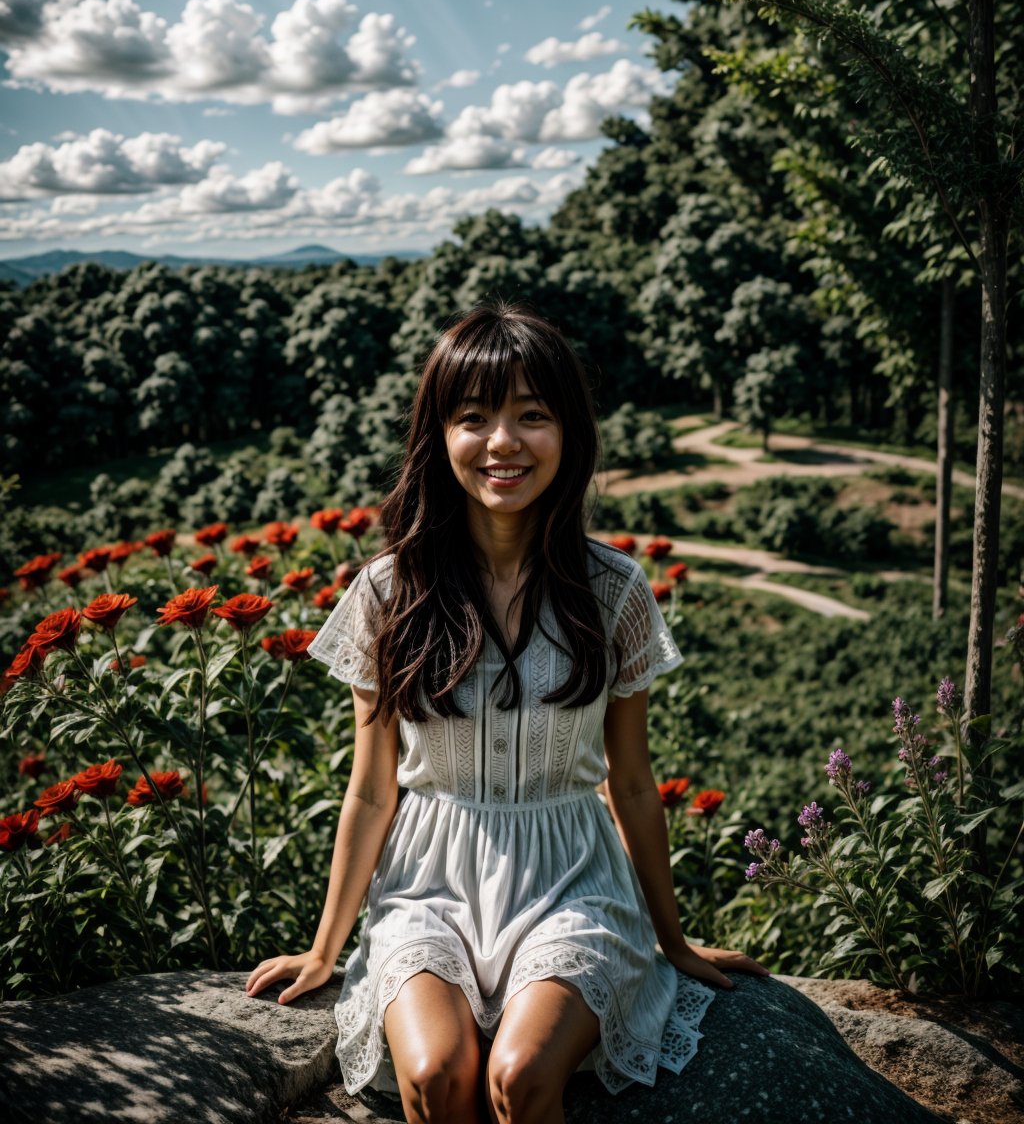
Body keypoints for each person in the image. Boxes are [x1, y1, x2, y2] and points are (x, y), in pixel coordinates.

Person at [245, 300, 770, 1123]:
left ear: (570, 434)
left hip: (575, 880)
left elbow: (632, 784)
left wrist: (673, 942)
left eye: (532, 415)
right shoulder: (389, 591)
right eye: (474, 417)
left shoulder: (614, 592)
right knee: (436, 1073)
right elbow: (374, 788)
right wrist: (324, 949)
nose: (503, 443)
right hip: (428, 884)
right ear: (439, 436)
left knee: (521, 1078)